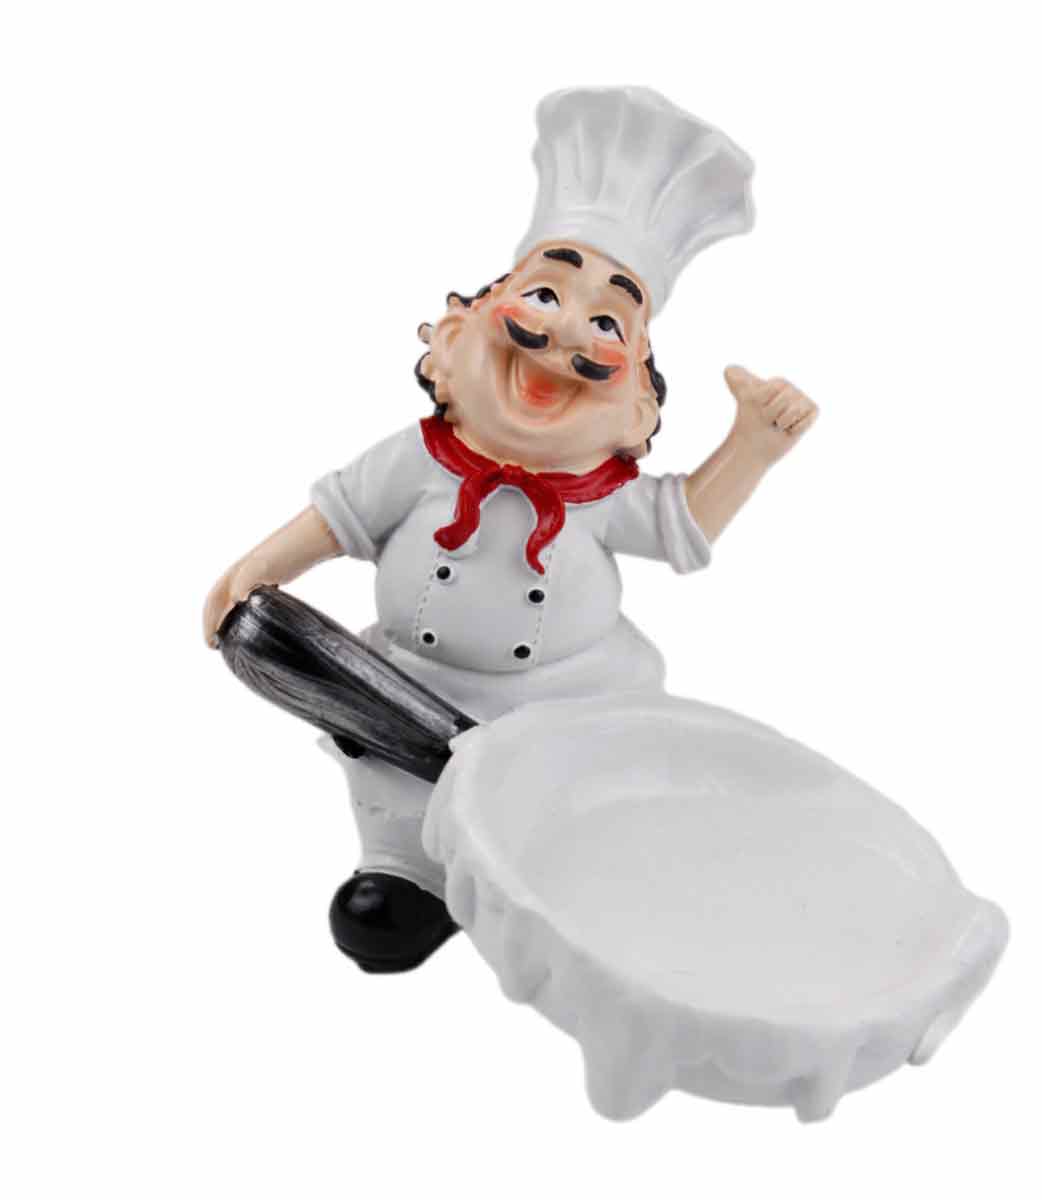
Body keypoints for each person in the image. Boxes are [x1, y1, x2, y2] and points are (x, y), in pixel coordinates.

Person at [203, 87, 818, 973]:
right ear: (457, 336)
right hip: (406, 691)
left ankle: (559, 879)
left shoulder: (601, 494)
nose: (565, 330)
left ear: (635, 405)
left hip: (556, 709)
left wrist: (751, 447)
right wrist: (255, 568)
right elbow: (336, 519)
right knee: (399, 799)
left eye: (606, 321)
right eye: (545, 292)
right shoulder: (416, 460)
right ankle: (410, 874)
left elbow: (684, 520)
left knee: (561, 804)